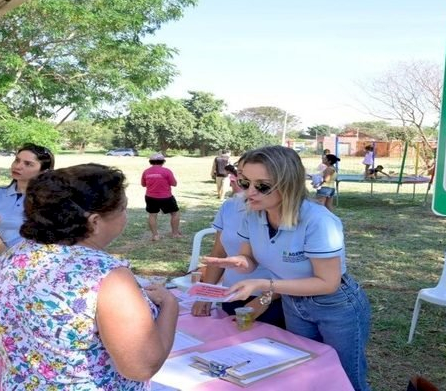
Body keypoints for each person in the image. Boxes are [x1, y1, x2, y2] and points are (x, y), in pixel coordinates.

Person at [0, 163, 178, 389]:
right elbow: (141, 366)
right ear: (95, 222)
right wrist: (169, 304)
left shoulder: (13, 256)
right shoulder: (107, 275)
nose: (125, 217)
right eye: (123, 209)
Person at [202, 145, 371, 391]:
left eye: (262, 186)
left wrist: (263, 285)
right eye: (244, 181)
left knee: (346, 378)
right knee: (305, 372)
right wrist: (238, 262)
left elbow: (328, 282)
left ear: (288, 183)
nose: (249, 192)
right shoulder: (253, 214)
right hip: (293, 302)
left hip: (335, 305)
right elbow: (249, 259)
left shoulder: (318, 220)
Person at [191, 193, 286, 328]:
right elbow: (219, 251)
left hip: (273, 301)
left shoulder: (282, 211)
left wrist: (265, 299)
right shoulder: (230, 206)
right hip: (232, 295)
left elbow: (295, 269)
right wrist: (205, 295)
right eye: (243, 178)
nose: (249, 187)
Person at [0, 143, 54, 279]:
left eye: (28, 164)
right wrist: (7, 254)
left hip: (34, 267)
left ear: (43, 171)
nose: (18, 166)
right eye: (17, 160)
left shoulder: (50, 200)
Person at [142, 153, 183, 240]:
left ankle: (155, 235)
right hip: (166, 197)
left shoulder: (146, 171)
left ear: (151, 161)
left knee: (152, 215)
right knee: (175, 213)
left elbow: (143, 184)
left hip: (150, 197)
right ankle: (175, 233)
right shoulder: (167, 171)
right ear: (163, 161)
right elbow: (174, 184)